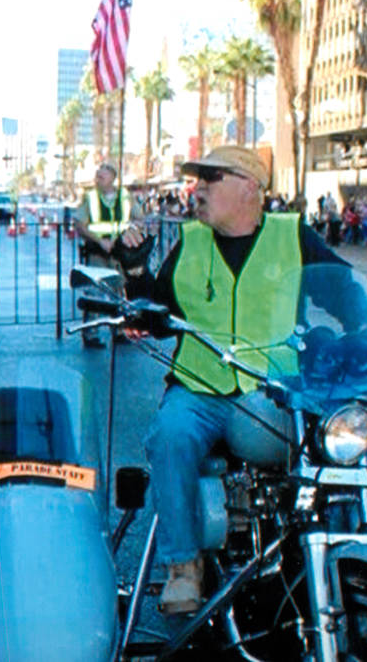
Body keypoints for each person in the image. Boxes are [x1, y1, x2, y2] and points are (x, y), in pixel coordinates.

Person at [116, 146, 346, 614]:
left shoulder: (292, 236)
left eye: (211, 178)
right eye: (197, 179)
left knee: (329, 442)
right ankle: (183, 566)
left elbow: (344, 289)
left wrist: (365, 336)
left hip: (272, 389)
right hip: (198, 387)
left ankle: (323, 548)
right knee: (169, 437)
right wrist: (136, 268)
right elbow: (155, 317)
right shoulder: (191, 241)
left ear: (249, 187)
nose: (198, 188)